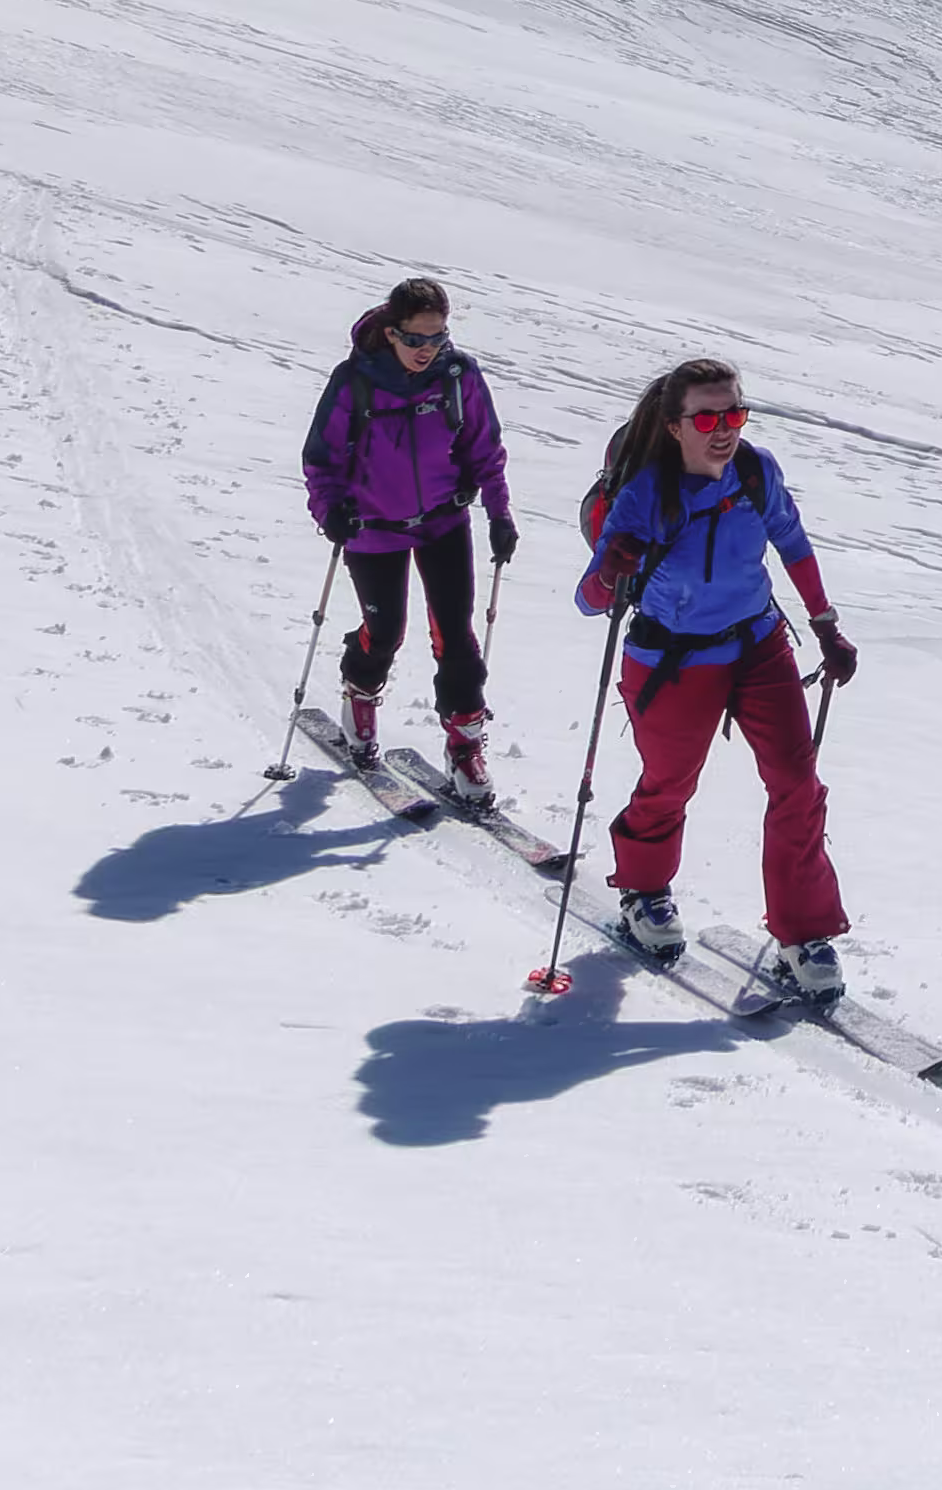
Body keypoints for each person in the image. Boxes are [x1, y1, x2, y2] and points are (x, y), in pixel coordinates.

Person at [572, 355, 858, 993]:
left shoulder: (755, 472)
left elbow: (793, 542)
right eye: (708, 416)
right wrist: (611, 564)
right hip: (673, 658)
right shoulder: (647, 493)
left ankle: (802, 932)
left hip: (757, 644)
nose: (724, 428)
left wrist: (826, 625)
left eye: (734, 412)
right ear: (675, 426)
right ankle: (644, 891)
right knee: (669, 784)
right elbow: (590, 601)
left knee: (797, 783)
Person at [303, 277, 515, 795]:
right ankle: (361, 690)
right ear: (391, 332)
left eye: (438, 337)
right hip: (373, 529)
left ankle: (465, 747)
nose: (428, 350)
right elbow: (321, 459)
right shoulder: (355, 380)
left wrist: (499, 514)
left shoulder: (458, 376)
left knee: (457, 637)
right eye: (416, 339)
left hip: (444, 520)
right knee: (387, 632)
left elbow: (485, 449)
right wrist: (330, 511)